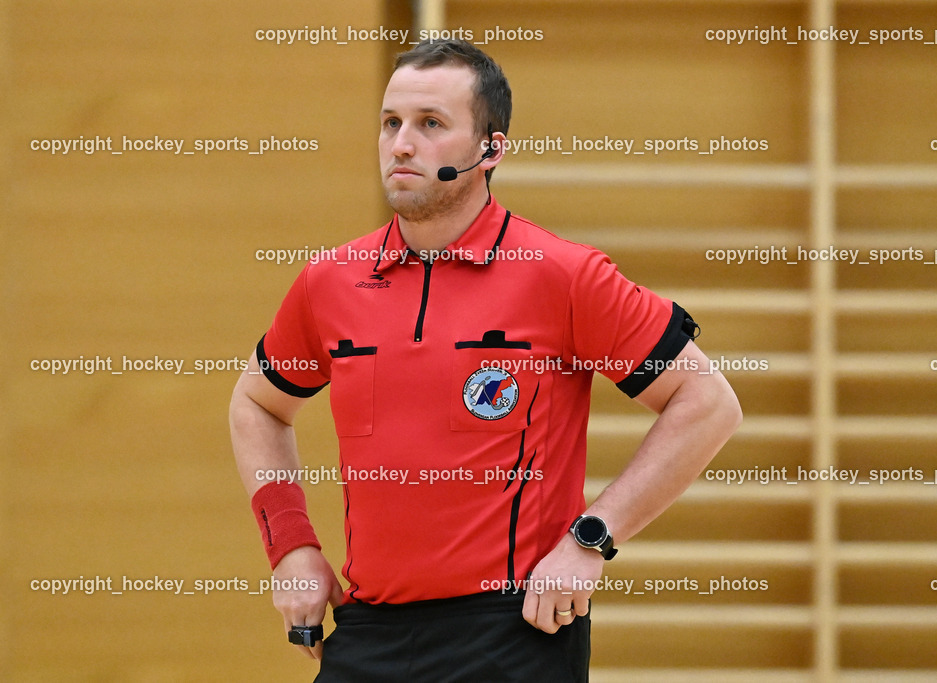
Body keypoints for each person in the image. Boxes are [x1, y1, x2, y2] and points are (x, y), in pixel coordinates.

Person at [229, 39, 742, 682]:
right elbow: (257, 403)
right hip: (368, 634)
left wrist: (591, 540)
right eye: (392, 123)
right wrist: (292, 547)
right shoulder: (330, 281)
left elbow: (706, 402)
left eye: (431, 124)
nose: (402, 145)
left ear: (491, 149)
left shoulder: (562, 275)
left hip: (512, 636)